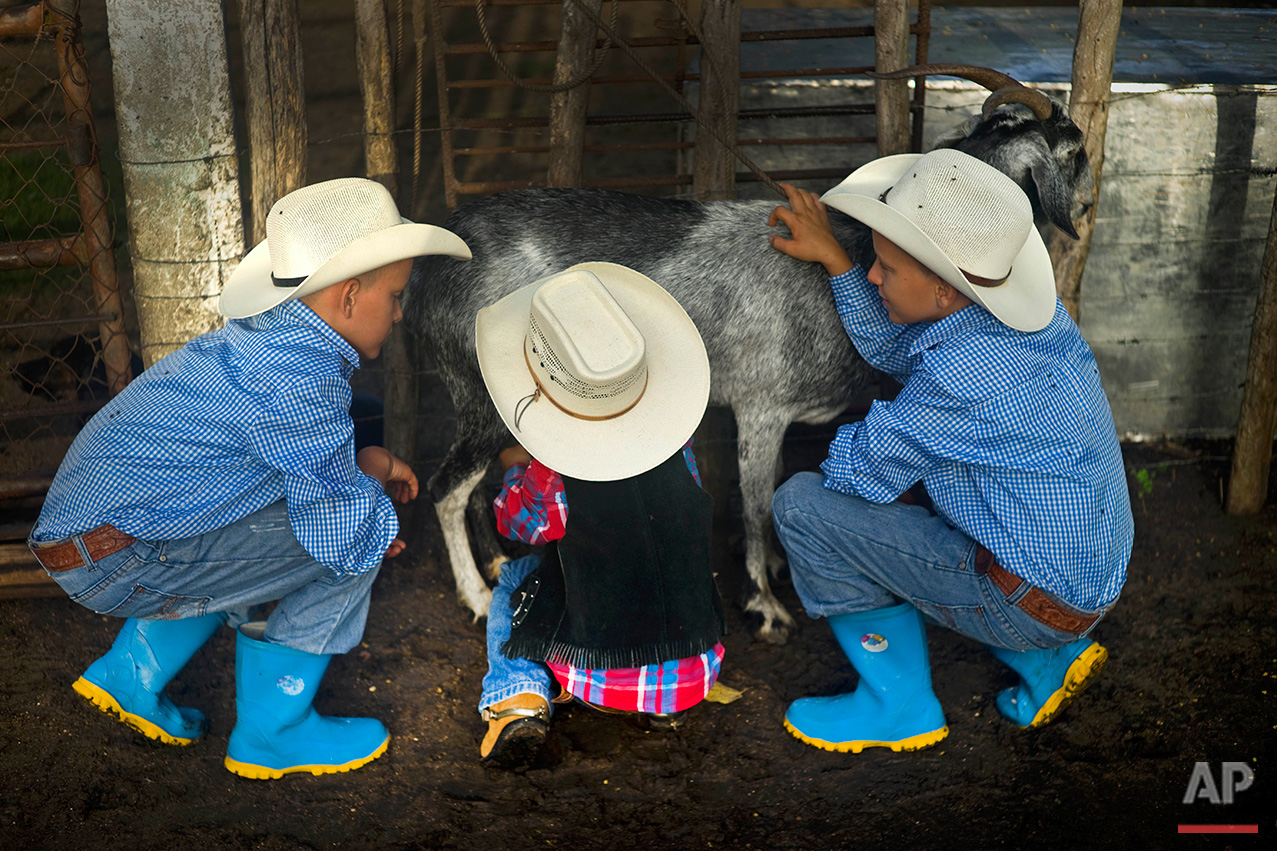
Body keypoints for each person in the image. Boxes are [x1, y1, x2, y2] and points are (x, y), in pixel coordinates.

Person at [27, 178, 471, 779]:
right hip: (117, 560)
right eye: (394, 295)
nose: (398, 311)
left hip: (86, 540)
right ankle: (273, 732)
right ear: (347, 298)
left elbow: (290, 475)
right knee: (357, 541)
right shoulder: (302, 380)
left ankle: (129, 676)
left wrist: (361, 470)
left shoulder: (263, 341)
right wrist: (371, 513)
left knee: (280, 527)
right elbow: (338, 525)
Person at [765, 148, 1134, 753]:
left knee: (803, 506)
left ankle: (899, 706)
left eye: (883, 267)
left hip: (1028, 601)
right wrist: (836, 258)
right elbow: (904, 349)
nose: (873, 277)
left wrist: (885, 442)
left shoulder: (960, 377)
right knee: (945, 487)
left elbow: (856, 472)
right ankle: (1053, 664)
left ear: (941, 292)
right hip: (1091, 575)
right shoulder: (1037, 323)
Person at [471, 261, 725, 768]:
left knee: (515, 577)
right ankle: (664, 709)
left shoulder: (553, 470)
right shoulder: (678, 441)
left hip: (598, 673)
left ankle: (517, 698)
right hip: (698, 662)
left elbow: (519, 526)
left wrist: (517, 470)